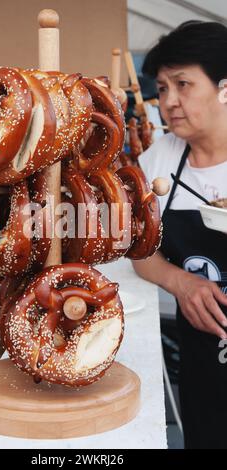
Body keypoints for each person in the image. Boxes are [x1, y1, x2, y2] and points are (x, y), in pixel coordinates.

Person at [132, 21, 227, 449]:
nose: (168, 102)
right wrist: (181, 283)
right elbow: (141, 249)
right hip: (201, 350)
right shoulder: (159, 159)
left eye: (183, 84)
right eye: (163, 87)